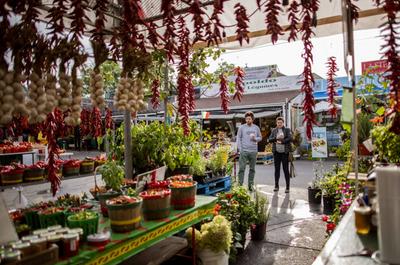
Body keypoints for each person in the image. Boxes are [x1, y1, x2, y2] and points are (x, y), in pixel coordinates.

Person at [236, 111, 262, 191]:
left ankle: (250, 185)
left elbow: (260, 137)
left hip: (253, 151)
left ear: (252, 119)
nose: (248, 120)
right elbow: (238, 138)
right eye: (246, 119)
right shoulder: (241, 127)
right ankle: (240, 185)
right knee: (241, 169)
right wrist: (240, 149)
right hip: (244, 151)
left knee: (252, 169)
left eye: (249, 119)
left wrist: (255, 139)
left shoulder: (256, 128)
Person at [268, 117, 292, 193]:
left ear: (283, 123)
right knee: (277, 170)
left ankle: (287, 187)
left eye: (281, 123)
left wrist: (282, 142)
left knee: (285, 170)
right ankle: (276, 186)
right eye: (278, 123)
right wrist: (276, 138)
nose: (279, 124)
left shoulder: (287, 130)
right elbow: (270, 139)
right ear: (276, 123)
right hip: (276, 153)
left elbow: (290, 138)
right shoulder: (274, 130)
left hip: (285, 153)